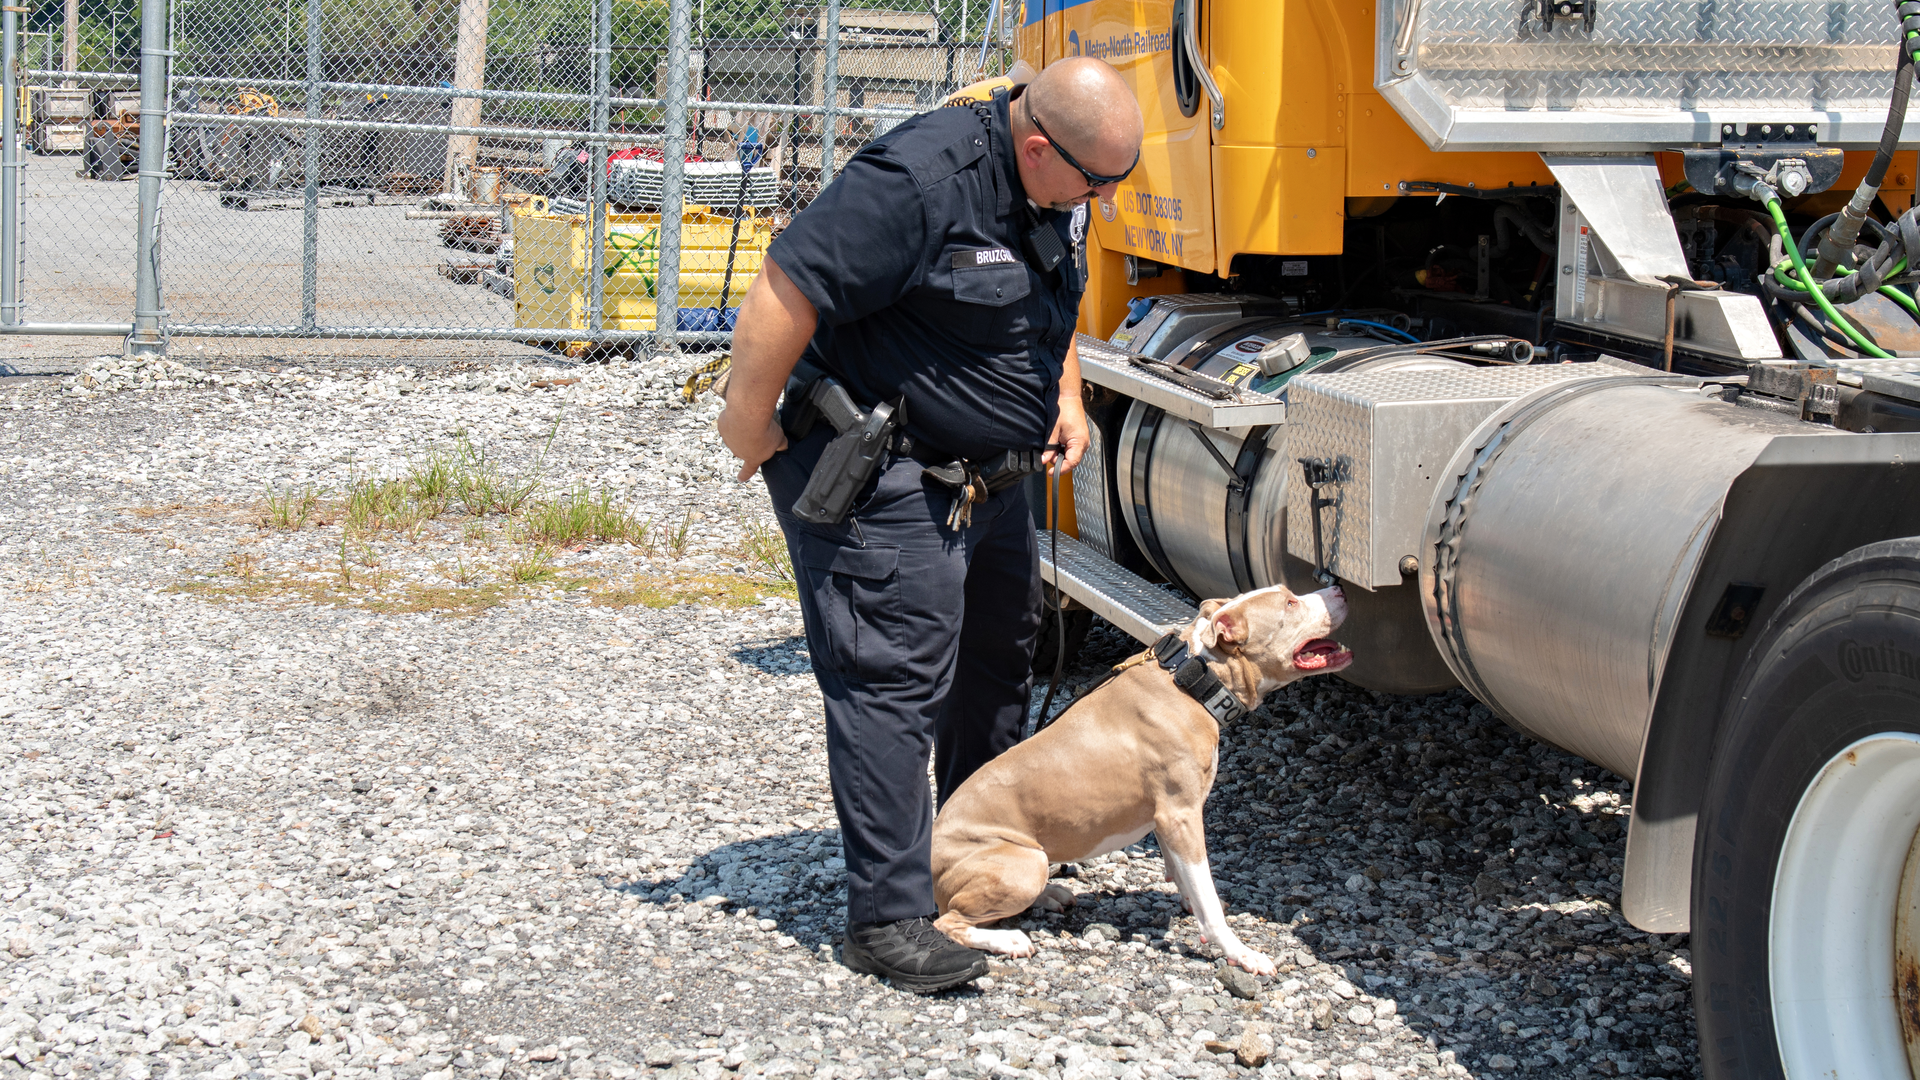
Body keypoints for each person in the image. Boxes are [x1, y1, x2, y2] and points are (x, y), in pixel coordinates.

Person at [716, 58, 1145, 993]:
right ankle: (889, 917)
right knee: (892, 681)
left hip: (993, 480)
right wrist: (746, 423)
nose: (1106, 202)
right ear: (1038, 147)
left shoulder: (1057, 184)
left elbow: (1047, 293)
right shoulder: (917, 183)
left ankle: (980, 849)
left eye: (1119, 182)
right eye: (1098, 184)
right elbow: (784, 289)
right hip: (888, 470)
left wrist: (1063, 394)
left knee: (997, 659)